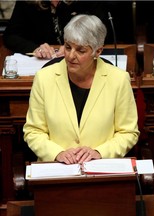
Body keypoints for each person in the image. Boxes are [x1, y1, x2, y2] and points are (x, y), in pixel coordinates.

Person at [23, 14, 139, 164]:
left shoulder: (118, 80)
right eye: (68, 47)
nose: (71, 56)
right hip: (56, 169)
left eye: (81, 51)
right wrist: (57, 153)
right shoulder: (44, 78)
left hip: (101, 169)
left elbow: (128, 132)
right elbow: (33, 131)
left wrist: (99, 152)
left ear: (98, 51)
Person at [3, 0, 111, 59]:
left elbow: (101, 32)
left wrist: (71, 47)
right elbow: (11, 36)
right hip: (43, 62)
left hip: (80, 58)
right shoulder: (27, 2)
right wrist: (35, 49)